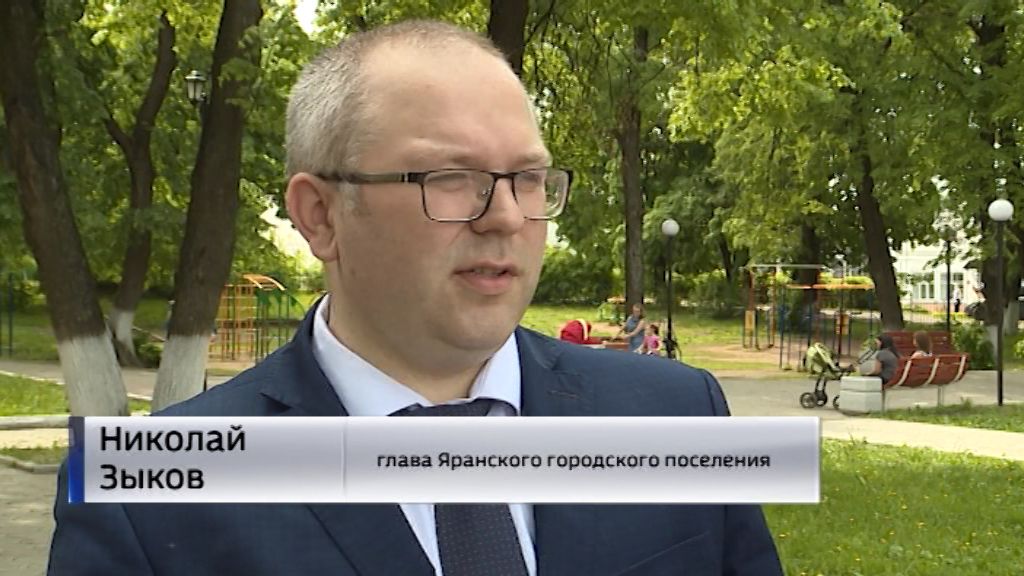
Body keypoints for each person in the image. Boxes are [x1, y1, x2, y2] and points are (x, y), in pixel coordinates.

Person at [48, 20, 782, 576]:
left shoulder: (675, 415)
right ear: (320, 216)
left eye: (528, 179)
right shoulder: (144, 498)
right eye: (450, 179)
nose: (506, 217)